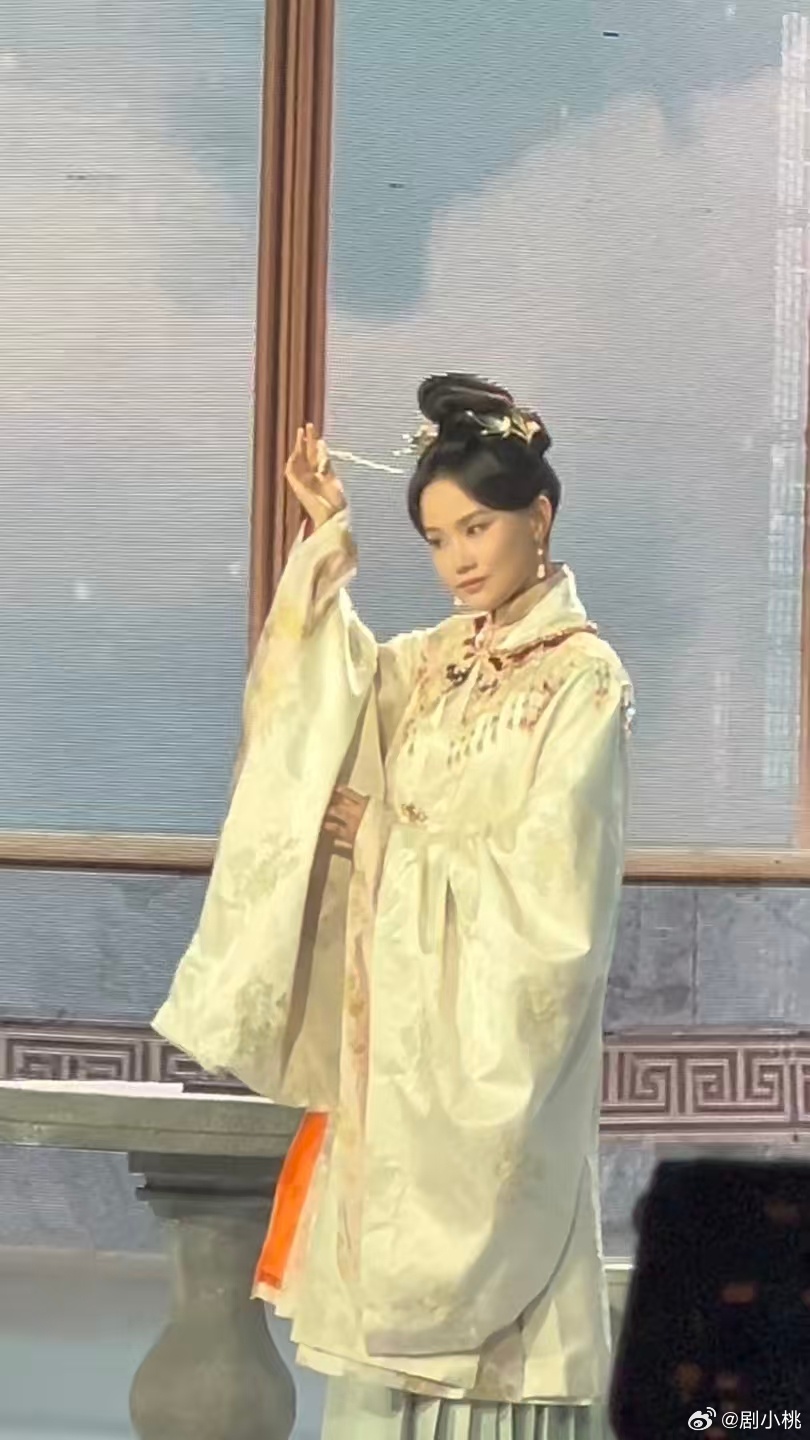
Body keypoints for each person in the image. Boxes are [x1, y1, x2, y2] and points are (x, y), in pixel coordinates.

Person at [154, 373, 635, 1440]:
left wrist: (385, 840)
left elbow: (555, 896)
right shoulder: (432, 663)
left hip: (493, 1080)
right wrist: (326, 540)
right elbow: (326, 700)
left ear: (539, 517)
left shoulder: (582, 680)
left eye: (478, 527)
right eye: (436, 538)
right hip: (399, 1078)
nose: (459, 558)